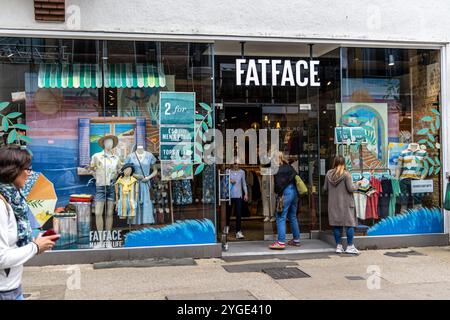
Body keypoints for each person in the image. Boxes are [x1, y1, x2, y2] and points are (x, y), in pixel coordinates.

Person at [0, 145, 59, 300]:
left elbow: (11, 245)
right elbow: (1, 257)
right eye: (26, 168)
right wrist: (35, 247)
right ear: (11, 170)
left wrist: (34, 244)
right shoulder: (1, 205)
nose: (28, 173)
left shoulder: (13, 200)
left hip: (13, 287)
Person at [323, 155, 360, 254]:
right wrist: (358, 184)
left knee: (336, 225)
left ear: (334, 162)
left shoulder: (328, 174)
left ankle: (338, 246)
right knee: (350, 224)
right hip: (346, 204)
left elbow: (325, 188)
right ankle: (350, 246)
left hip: (333, 204)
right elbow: (351, 188)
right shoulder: (346, 174)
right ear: (344, 163)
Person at [269, 151, 301, 250]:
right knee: (292, 216)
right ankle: (296, 240)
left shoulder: (277, 169)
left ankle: (281, 242)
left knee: (280, 217)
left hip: (285, 193)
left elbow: (278, 187)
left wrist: (278, 194)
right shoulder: (289, 166)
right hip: (294, 192)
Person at [225, 160, 248, 239]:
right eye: (234, 163)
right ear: (232, 164)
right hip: (229, 195)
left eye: (237, 163)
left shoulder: (242, 172)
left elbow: (244, 183)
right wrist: (229, 180)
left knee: (238, 214)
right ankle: (227, 226)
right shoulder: (228, 171)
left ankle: (238, 231)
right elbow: (223, 181)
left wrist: (246, 194)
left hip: (239, 195)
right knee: (228, 212)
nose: (236, 165)